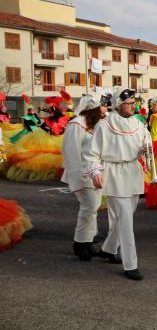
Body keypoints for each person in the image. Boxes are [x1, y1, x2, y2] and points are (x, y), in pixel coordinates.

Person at [85, 87, 147, 281]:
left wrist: (146, 150)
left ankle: (108, 248)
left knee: (127, 214)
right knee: (126, 218)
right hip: (114, 172)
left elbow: (145, 144)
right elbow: (91, 152)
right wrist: (95, 171)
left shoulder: (139, 124)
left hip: (133, 171)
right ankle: (131, 264)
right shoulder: (104, 125)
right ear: (119, 105)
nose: (132, 106)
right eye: (128, 103)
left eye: (134, 102)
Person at [61, 95, 104, 261]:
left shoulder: (92, 124)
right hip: (82, 173)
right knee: (89, 206)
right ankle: (79, 243)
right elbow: (71, 151)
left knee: (93, 208)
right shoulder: (76, 125)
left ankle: (88, 240)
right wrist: (78, 175)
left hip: (94, 172)